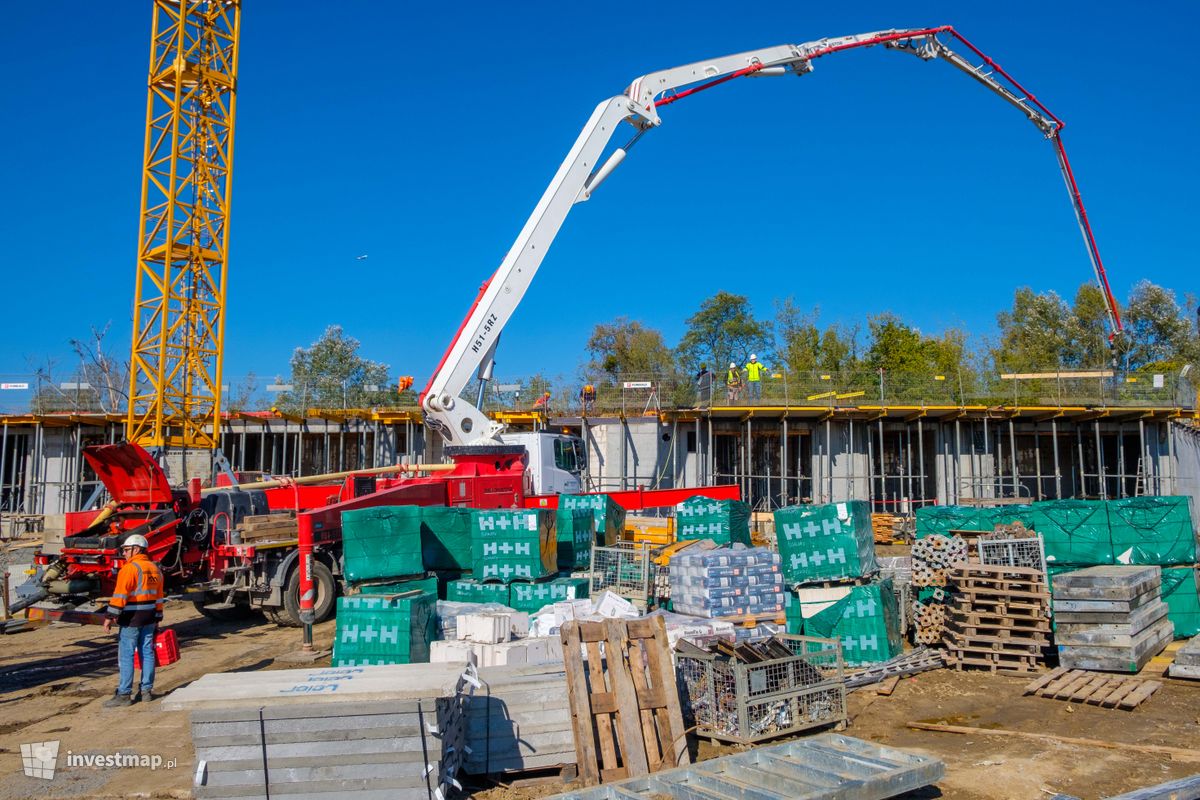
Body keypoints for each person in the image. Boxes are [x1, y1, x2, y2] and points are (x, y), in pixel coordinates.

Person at [103, 534, 164, 707]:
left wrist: (109, 617)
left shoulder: (129, 569)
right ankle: (146, 691)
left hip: (131, 617)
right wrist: (158, 616)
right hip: (150, 616)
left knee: (127, 655)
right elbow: (159, 597)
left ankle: (124, 694)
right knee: (147, 652)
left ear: (136, 549)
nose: (124, 553)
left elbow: (120, 596)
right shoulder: (155, 569)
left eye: (126, 550)